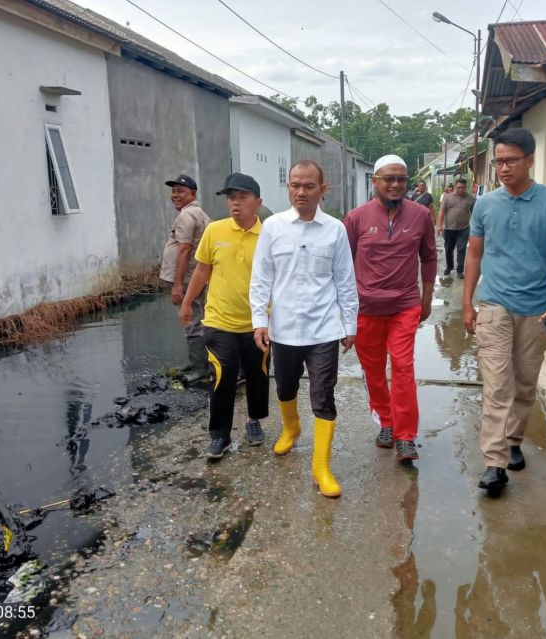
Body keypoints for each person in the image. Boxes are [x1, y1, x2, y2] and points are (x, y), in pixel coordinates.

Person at [462, 127, 546, 493]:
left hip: (537, 309)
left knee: (525, 384)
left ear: (530, 160)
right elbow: (474, 253)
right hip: (494, 305)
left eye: (511, 160)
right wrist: (467, 302)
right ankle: (494, 463)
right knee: (497, 384)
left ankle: (513, 440)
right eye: (498, 162)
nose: (503, 168)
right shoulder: (485, 204)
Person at [250, 160, 358, 498]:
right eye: (295, 185)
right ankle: (291, 428)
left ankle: (321, 466)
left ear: (322, 189)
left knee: (323, 395)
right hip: (283, 328)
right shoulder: (273, 226)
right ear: (288, 188)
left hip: (324, 328)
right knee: (284, 387)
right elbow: (261, 276)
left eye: (308, 186)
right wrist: (260, 320)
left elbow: (345, 279)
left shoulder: (335, 229)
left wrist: (349, 323)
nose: (301, 191)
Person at [344, 155, 437, 463]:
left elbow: (429, 257)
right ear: (375, 181)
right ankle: (386, 421)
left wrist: (426, 297)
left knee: (402, 367)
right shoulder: (357, 218)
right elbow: (342, 265)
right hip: (366, 307)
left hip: (404, 305)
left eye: (401, 179)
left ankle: (406, 436)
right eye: (389, 179)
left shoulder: (421, 215)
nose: (396, 184)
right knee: (372, 370)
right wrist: (344, 312)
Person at [179, 173, 270, 460]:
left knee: (258, 375)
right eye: (231, 198)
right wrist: (186, 302)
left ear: (258, 202)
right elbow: (203, 270)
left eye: (242, 197)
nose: (235, 203)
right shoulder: (214, 231)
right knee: (221, 375)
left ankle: (254, 420)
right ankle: (220, 435)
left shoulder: (270, 235)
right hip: (219, 320)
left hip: (258, 323)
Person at [159, 174, 212, 383]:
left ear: (193, 193)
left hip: (189, 278)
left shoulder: (186, 216)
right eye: (173, 191)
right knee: (196, 319)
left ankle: (201, 369)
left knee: (191, 320)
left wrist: (178, 285)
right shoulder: (199, 213)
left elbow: (184, 250)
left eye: (180, 191)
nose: (175, 195)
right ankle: (196, 362)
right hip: (196, 276)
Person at [436, 178, 476, 278]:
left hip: (464, 229)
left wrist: (475, 229)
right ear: (455, 187)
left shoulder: (471, 199)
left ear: (466, 187)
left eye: (463, 188)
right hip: (449, 229)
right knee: (448, 249)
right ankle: (449, 267)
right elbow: (441, 211)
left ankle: (460, 270)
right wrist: (439, 225)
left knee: (461, 249)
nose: (461, 189)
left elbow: (475, 215)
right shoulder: (447, 197)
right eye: (458, 187)